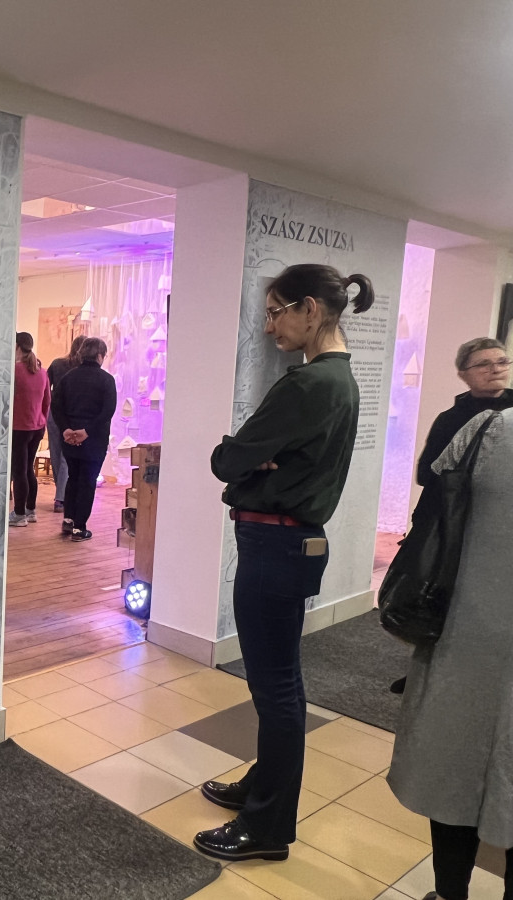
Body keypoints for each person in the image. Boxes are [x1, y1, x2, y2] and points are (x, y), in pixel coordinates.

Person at [195, 264, 373, 862]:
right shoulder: (338, 379)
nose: (270, 327)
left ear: (310, 310)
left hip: (275, 547)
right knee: (279, 682)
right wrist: (257, 458)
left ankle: (267, 826)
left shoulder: (308, 385)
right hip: (289, 545)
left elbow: (226, 460)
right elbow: (250, 458)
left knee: (275, 687)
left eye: (276, 312)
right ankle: (261, 786)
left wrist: (246, 456)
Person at [388, 409, 513, 900]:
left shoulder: (486, 430)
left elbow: (430, 516)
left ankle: (448, 893)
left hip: (465, 631)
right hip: (470, 634)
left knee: (453, 767)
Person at [411, 337, 512, 527]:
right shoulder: (450, 420)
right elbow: (425, 474)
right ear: (463, 375)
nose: (496, 369)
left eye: (502, 362)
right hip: (462, 520)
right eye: (483, 364)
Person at [51, 337, 117, 542]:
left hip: (69, 438)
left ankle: (69, 520)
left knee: (73, 478)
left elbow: (56, 406)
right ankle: (79, 528)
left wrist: (66, 429)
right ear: (100, 356)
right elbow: (108, 411)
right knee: (88, 481)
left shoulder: (68, 377)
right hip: (94, 439)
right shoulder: (106, 380)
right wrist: (86, 431)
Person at [9, 331, 50, 527]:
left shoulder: (14, 371)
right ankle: (30, 510)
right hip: (37, 427)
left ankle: (19, 515)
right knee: (28, 469)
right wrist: (40, 421)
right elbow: (47, 402)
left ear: (17, 346)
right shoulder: (42, 372)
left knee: (19, 471)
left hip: (19, 428)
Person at [46, 336, 84, 513]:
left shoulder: (57, 363)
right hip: (72, 416)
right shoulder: (82, 370)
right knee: (66, 457)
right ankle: (61, 498)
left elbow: (45, 387)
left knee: (55, 454)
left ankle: (60, 495)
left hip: (53, 414)